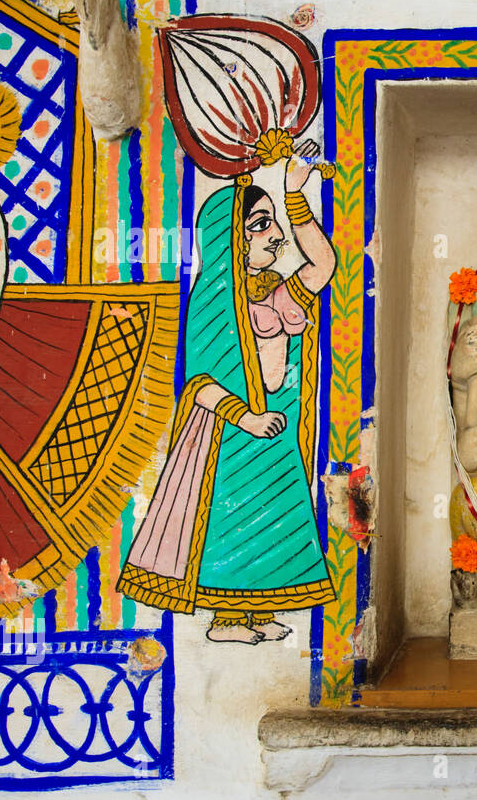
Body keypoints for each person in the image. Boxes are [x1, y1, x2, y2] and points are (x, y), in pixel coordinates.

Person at [118, 141, 336, 644]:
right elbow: (199, 385)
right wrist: (247, 419)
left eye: (272, 221)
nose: (275, 234)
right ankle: (226, 620)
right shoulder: (212, 302)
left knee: (279, 522)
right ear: (229, 238)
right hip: (232, 442)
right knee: (229, 524)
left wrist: (295, 198)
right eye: (261, 224)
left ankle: (258, 611)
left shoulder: (279, 289)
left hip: (278, 435)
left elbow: (321, 265)